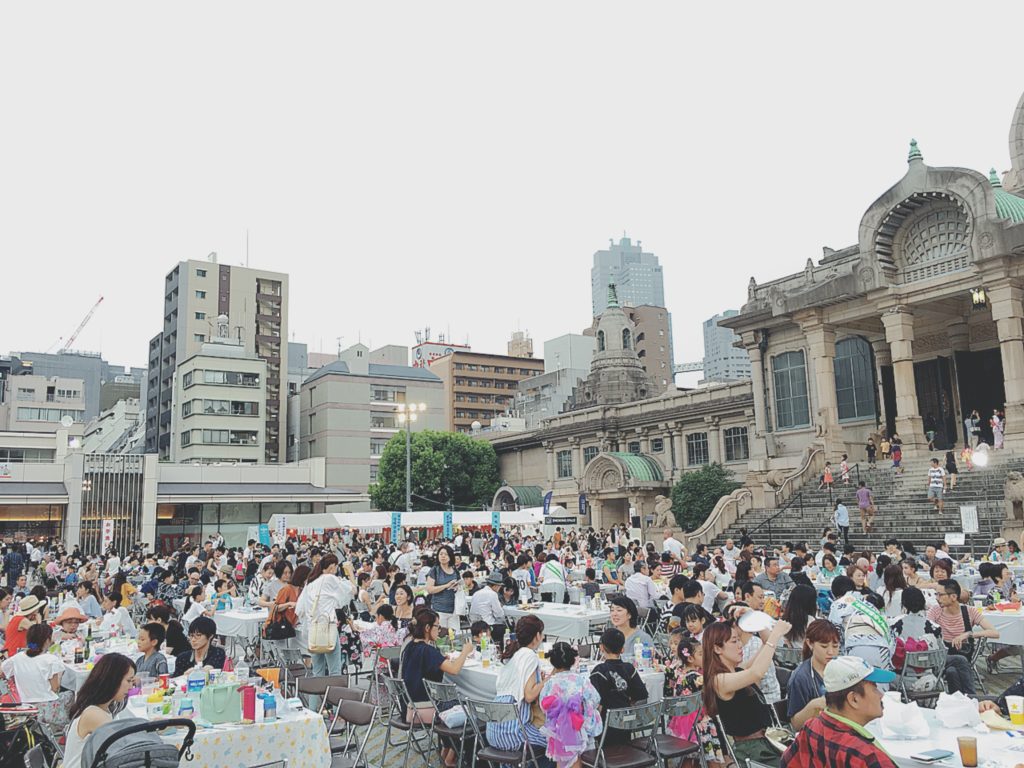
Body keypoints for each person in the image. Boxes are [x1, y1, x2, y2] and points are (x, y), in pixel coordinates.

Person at [779, 656, 898, 768]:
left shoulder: (810, 727)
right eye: (874, 688)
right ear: (853, 699)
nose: (881, 695)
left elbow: (786, 763)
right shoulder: (868, 757)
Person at [702, 618, 791, 767]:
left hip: (769, 740)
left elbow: (766, 645)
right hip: (752, 750)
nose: (740, 645)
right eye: (734, 641)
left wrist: (753, 617)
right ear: (717, 649)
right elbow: (757, 673)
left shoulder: (737, 671)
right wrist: (776, 634)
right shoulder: (719, 681)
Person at [487, 615, 551, 766]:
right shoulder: (530, 655)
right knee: (557, 743)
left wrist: (538, 681)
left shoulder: (513, 656)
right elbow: (529, 696)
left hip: (493, 731)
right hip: (514, 733)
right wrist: (546, 681)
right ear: (537, 636)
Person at [62, 653, 137, 768]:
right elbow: (123, 744)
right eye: (129, 681)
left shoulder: (99, 708)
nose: (131, 687)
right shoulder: (94, 713)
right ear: (113, 680)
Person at [927, 579, 1000, 694]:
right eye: (936, 594)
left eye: (940, 594)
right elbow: (926, 631)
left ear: (953, 597)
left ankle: (959, 702)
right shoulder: (935, 611)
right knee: (958, 662)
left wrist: (968, 634)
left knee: (952, 671)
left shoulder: (969, 611)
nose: (937, 598)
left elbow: (994, 633)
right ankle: (972, 698)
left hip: (962, 653)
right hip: (942, 656)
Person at [539, 642, 602, 768]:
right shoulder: (581, 680)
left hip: (559, 731)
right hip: (581, 727)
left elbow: (543, 706)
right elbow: (596, 699)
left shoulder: (550, 684)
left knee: (561, 758)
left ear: (552, 662)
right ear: (573, 660)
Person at [295, 553, 356, 677]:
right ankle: (335, 696)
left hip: (313, 629)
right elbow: (352, 590)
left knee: (317, 671)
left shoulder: (310, 582)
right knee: (335, 670)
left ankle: (317, 696)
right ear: (333, 566)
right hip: (328, 628)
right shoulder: (330, 579)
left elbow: (299, 609)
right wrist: (350, 572)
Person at [2, 623, 71, 729]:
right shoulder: (51, 660)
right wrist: (60, 675)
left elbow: (2, 672)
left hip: (26, 709)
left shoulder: (17, 658)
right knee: (73, 694)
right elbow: (55, 688)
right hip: (48, 710)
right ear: (47, 640)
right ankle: (68, 731)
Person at [589, 628, 649, 745]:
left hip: (605, 727)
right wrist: (629, 702)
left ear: (601, 647)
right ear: (622, 649)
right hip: (625, 723)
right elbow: (642, 694)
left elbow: (596, 703)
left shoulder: (599, 671)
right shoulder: (629, 668)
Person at [786, 619, 841, 730]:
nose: (831, 652)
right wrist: (813, 706)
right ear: (810, 643)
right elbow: (795, 724)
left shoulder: (841, 669)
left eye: (835, 646)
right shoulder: (801, 678)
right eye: (824, 646)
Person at [607, 596, 654, 661]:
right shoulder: (610, 636)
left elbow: (651, 662)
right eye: (612, 610)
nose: (614, 614)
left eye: (619, 610)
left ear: (629, 614)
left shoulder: (643, 638)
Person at [468, 572, 507, 645]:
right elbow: (499, 614)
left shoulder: (476, 593)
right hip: (488, 626)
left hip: (474, 625)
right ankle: (501, 650)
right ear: (496, 586)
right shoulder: (493, 594)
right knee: (504, 628)